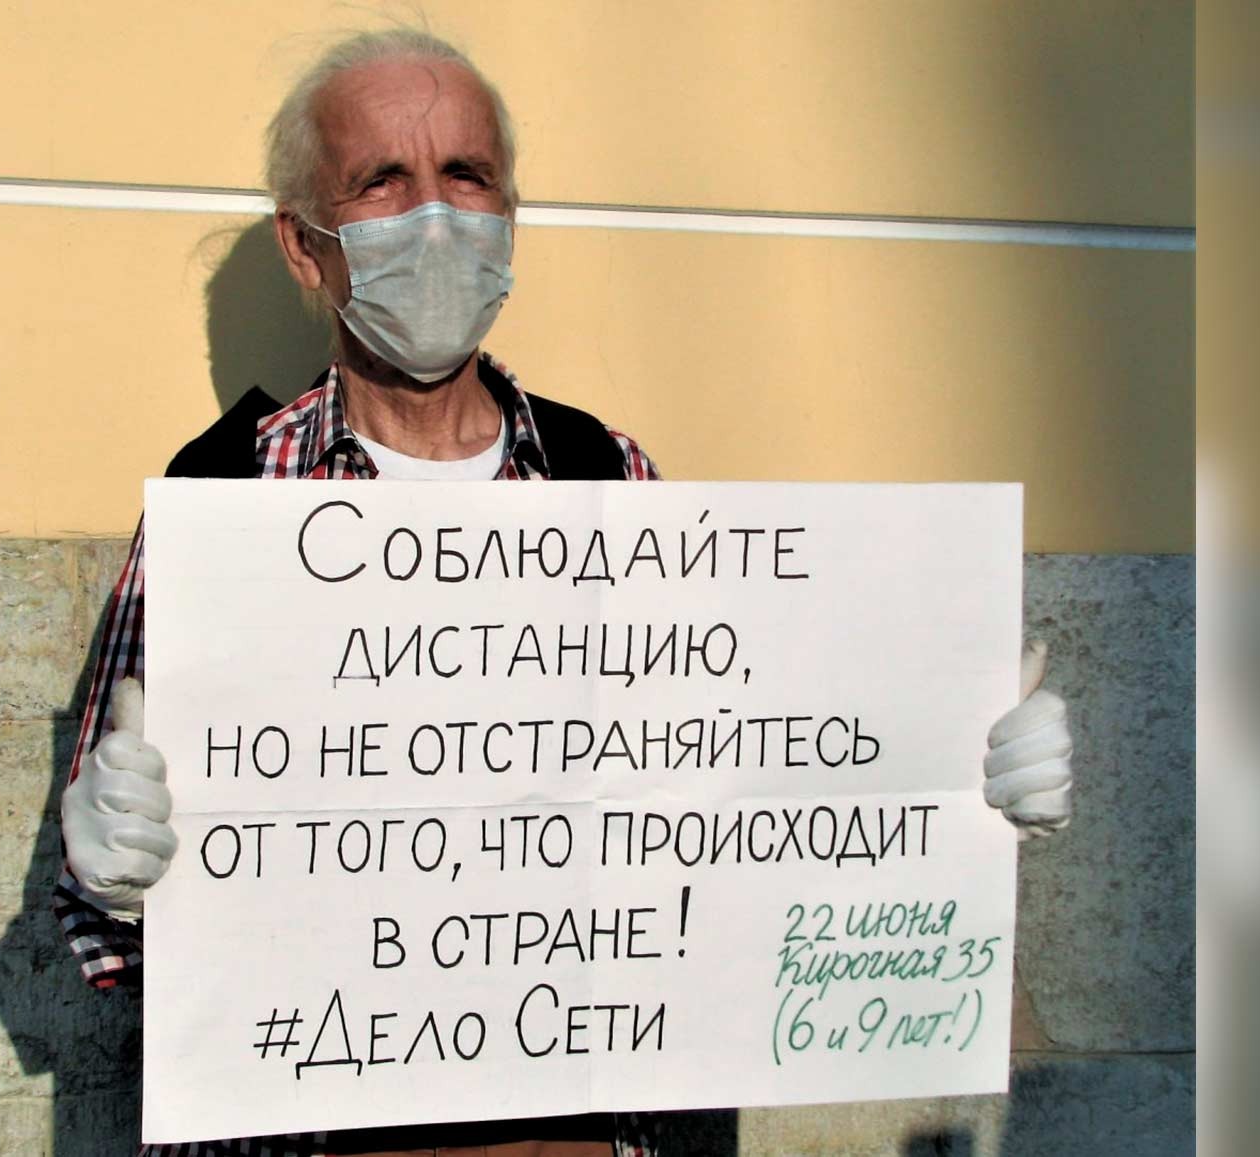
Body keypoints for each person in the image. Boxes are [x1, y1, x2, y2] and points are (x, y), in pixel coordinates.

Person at [55, 28, 1074, 1157]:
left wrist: (955, 779)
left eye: (466, 174)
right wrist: (119, 881)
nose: (432, 214)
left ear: (507, 218)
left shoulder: (607, 478)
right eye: (381, 179)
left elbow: (736, 794)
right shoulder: (224, 494)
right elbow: (101, 921)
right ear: (307, 246)